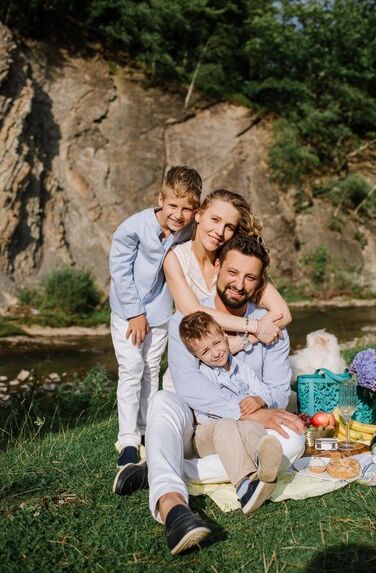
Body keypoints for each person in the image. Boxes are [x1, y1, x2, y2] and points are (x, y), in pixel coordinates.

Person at [113, 235, 305, 555]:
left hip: (246, 430)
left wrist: (263, 405)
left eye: (249, 277)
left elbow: (278, 390)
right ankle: (173, 508)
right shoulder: (186, 323)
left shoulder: (270, 327)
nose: (239, 284)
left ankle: (162, 465)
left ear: (258, 284)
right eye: (232, 272)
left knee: (293, 441)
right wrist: (247, 411)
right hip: (195, 426)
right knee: (163, 400)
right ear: (217, 268)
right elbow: (191, 390)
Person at [109, 165, 202, 468]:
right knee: (132, 367)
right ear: (160, 199)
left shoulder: (188, 230)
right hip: (127, 312)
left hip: (161, 312)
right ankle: (128, 439)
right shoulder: (132, 228)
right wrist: (135, 313)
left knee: (151, 369)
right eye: (173, 205)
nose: (178, 214)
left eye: (187, 209)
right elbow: (120, 273)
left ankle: (149, 430)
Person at [161, 189, 292, 392]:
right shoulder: (175, 259)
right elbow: (193, 311)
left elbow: (283, 314)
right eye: (215, 219)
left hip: (236, 373)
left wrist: (243, 341)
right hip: (193, 371)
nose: (220, 231)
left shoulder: (235, 263)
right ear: (198, 214)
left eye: (229, 226)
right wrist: (256, 328)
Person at [179, 310, 283, 516]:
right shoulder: (202, 375)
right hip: (207, 434)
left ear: (225, 338)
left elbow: (263, 390)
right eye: (205, 352)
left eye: (217, 343)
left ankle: (263, 464)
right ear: (195, 356)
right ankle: (244, 487)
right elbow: (207, 413)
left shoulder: (241, 368)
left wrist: (259, 399)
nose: (215, 353)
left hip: (240, 427)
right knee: (228, 424)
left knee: (252, 425)